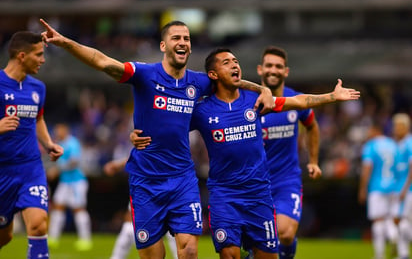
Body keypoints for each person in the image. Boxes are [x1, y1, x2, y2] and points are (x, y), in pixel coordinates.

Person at [39, 18, 275, 259]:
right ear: (163, 45)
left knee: (190, 251)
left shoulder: (199, 82)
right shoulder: (144, 74)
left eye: (186, 38)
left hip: (183, 179)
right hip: (146, 181)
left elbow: (231, 80)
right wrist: (66, 43)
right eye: (176, 38)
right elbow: (103, 62)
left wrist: (263, 90)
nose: (182, 42)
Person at [133, 48, 359, 258]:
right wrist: (137, 134)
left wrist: (331, 96)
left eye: (236, 61)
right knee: (229, 254)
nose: (234, 65)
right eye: (226, 62)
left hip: (258, 195)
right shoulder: (201, 110)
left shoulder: (255, 101)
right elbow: (170, 125)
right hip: (224, 196)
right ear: (213, 74)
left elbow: (298, 101)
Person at [0, 31, 64, 258]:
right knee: (4, 237)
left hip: (30, 168)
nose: (43, 60)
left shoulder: (38, 88)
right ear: (21, 56)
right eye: (38, 54)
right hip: (2, 171)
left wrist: (48, 144)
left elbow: (38, 118)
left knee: (38, 223)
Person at [257, 46, 322, 259]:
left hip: (286, 180)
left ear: (286, 71)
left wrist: (313, 161)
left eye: (278, 66)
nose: (273, 70)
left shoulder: (297, 101)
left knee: (284, 233)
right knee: (256, 240)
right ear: (260, 69)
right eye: (269, 65)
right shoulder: (250, 103)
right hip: (255, 183)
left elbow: (312, 126)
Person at [104, 157, 178, 259]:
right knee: (129, 227)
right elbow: (140, 153)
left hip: (167, 186)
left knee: (174, 230)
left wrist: (118, 165)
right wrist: (119, 165)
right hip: (145, 187)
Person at [47, 123, 93, 251]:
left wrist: (57, 169)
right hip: (65, 182)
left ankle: (85, 240)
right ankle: (53, 238)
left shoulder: (73, 143)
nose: (57, 133)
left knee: (78, 209)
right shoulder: (59, 144)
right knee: (57, 206)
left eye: (59, 130)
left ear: (65, 130)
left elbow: (74, 161)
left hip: (77, 182)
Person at [358, 120, 399, 259]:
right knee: (389, 217)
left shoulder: (370, 146)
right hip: (394, 186)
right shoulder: (393, 144)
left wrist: (363, 188)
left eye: (369, 131)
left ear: (376, 131)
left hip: (377, 187)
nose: (368, 134)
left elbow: (367, 168)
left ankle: (379, 254)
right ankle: (393, 235)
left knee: (377, 220)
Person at [392, 113, 412, 259]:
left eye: (398, 126)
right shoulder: (399, 144)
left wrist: (405, 188)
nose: (395, 129)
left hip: (408, 190)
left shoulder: (409, 143)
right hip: (400, 188)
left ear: (405, 127)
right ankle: (403, 253)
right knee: (399, 221)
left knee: (404, 223)